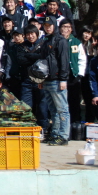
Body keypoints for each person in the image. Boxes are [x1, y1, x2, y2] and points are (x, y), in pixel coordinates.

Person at [38, 15, 70, 146]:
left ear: (54, 25)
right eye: (45, 26)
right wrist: (40, 79)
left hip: (57, 80)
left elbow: (64, 61)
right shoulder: (45, 40)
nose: (47, 28)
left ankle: (63, 135)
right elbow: (42, 61)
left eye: (50, 25)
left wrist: (63, 79)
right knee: (53, 110)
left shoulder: (60, 40)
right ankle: (55, 134)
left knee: (62, 109)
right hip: (47, 79)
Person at [16, 24, 49, 130]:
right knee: (25, 106)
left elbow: (44, 58)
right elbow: (21, 60)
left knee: (42, 106)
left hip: (41, 80)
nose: (30, 36)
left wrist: (30, 55)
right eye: (28, 34)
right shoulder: (21, 46)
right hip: (26, 80)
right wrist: (36, 58)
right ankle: (27, 127)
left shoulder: (43, 44)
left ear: (37, 34)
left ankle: (43, 128)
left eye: (32, 34)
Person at [59, 18, 87, 124]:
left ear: (71, 29)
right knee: (61, 101)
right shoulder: (57, 41)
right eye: (63, 27)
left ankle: (75, 122)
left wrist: (79, 74)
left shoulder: (76, 42)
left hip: (73, 76)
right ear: (60, 28)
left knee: (74, 100)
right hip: (60, 76)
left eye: (68, 27)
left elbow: (82, 59)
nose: (65, 29)